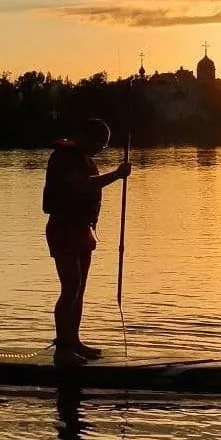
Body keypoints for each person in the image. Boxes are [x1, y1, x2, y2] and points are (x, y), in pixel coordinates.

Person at [43, 118, 132, 367]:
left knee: (80, 289)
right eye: (99, 143)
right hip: (63, 228)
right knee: (70, 286)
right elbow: (80, 187)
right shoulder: (61, 159)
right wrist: (116, 175)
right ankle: (62, 346)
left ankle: (74, 341)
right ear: (85, 136)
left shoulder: (87, 161)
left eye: (104, 145)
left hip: (83, 230)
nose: (101, 148)